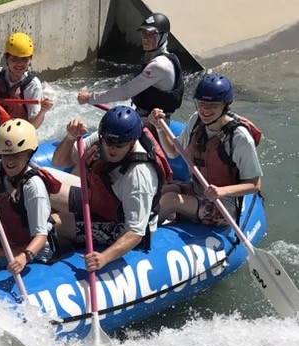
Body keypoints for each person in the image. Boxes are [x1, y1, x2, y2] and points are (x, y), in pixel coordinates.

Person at [51, 106, 171, 272]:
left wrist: (104, 258)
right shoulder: (104, 138)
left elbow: (136, 232)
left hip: (122, 225)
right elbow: (59, 162)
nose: (112, 149)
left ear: (132, 141)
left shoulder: (138, 175)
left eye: (119, 145)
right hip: (103, 201)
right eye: (108, 143)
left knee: (54, 223)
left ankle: (62, 251)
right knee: (47, 185)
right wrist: (70, 137)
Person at [150, 74, 263, 225]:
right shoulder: (196, 120)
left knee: (171, 199)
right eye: (201, 103)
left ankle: (140, 234)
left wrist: (222, 191)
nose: (205, 109)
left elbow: (255, 185)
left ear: (225, 105)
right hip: (198, 188)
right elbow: (172, 152)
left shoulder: (239, 137)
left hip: (223, 204)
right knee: (161, 191)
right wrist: (159, 128)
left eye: (213, 105)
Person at [0, 119, 62, 275]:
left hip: (35, 251)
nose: (9, 161)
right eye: (6, 155)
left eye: (16, 155)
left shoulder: (33, 187)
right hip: (8, 238)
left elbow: (41, 235)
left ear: (29, 154)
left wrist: (25, 256)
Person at [77, 13, 183, 126]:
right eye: (143, 33)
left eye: (151, 34)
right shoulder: (169, 58)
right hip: (146, 116)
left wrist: (90, 98)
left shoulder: (159, 65)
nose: (145, 38)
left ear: (163, 36)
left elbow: (125, 92)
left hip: (152, 123)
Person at [0, 32, 53, 128]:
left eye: (24, 59)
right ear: (6, 57)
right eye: (14, 59)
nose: (19, 64)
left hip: (18, 131)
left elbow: (33, 126)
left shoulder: (33, 85)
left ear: (30, 60)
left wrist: (42, 111)